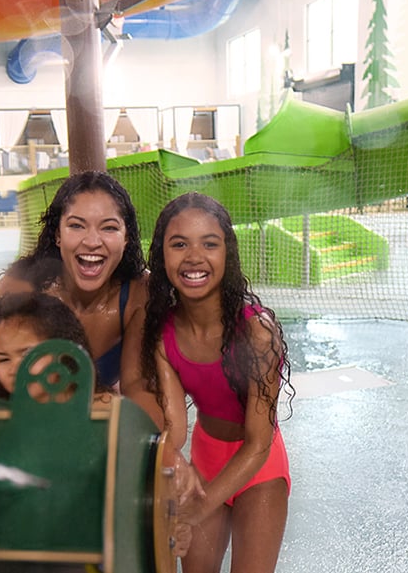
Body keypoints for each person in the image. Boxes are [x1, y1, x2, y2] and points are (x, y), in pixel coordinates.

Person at [140, 192, 292, 573]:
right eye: (179, 244)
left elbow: (259, 441)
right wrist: (172, 476)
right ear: (162, 256)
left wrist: (197, 508)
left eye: (210, 243)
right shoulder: (164, 334)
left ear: (228, 254)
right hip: (206, 458)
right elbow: (175, 429)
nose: (194, 257)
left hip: (260, 466)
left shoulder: (258, 332)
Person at [0, 170, 157, 435]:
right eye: (76, 225)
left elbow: (140, 392)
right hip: (16, 431)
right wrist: (34, 453)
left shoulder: (138, 294)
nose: (92, 241)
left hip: (85, 428)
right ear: (57, 234)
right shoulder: (19, 290)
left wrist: (145, 449)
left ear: (126, 239)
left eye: (109, 227)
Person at [0, 290, 110, 403]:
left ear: (64, 353)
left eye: (28, 354)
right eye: (3, 359)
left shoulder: (105, 411)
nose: (14, 369)